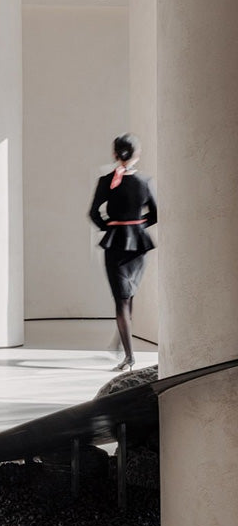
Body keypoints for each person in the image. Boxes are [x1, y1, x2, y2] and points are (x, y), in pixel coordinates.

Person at [88, 134, 157, 371]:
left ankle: (129, 358)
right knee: (129, 297)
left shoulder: (107, 180)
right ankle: (124, 346)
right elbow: (155, 214)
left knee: (121, 300)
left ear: (115, 154)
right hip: (139, 246)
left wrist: (111, 227)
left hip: (116, 243)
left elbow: (94, 213)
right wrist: (137, 226)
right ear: (137, 154)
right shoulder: (146, 181)